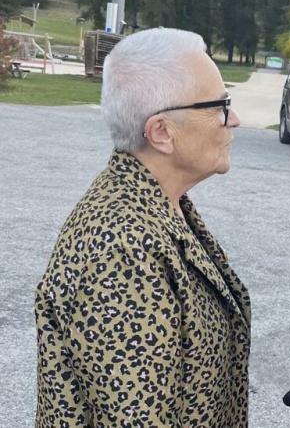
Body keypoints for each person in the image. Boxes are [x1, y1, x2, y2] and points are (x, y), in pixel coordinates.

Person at [35, 28, 251, 427]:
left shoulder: (160, 204)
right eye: (220, 105)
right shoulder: (123, 247)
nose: (233, 120)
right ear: (162, 133)